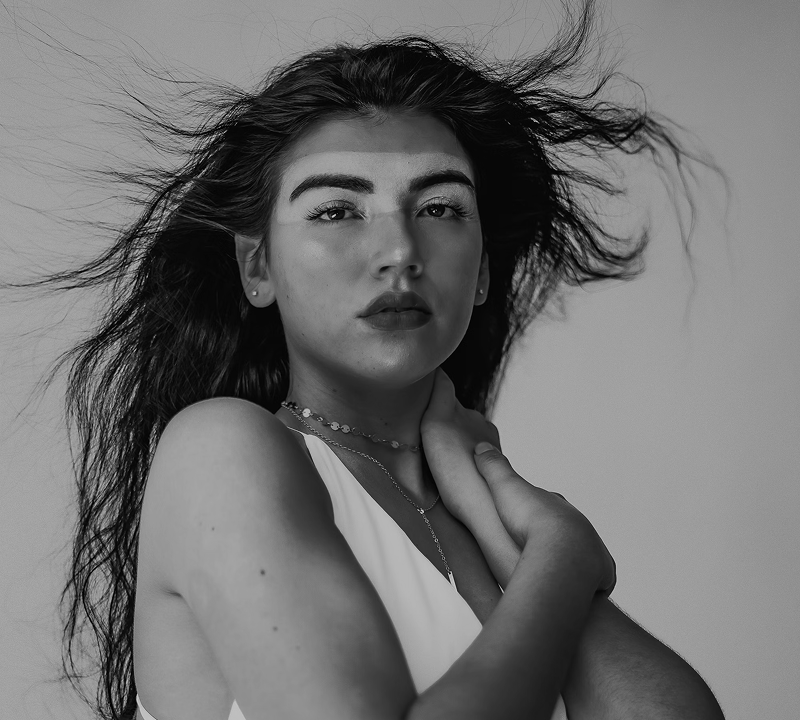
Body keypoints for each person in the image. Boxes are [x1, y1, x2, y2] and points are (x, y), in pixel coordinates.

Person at [44, 3, 725, 719]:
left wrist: (499, 513)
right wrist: (559, 559)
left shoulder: (480, 506)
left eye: (440, 209)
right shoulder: (220, 452)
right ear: (258, 268)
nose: (400, 251)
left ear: (485, 267)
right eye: (337, 210)